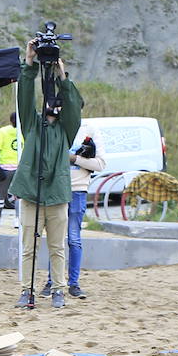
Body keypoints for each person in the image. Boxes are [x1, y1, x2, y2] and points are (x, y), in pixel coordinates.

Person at [9, 38, 82, 309]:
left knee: (57, 247)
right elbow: (24, 98)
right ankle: (26, 291)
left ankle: (59, 290)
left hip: (57, 195)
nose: (55, 104)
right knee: (29, 247)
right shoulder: (31, 125)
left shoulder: (66, 130)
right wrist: (29, 63)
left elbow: (75, 106)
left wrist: (63, 76)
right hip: (31, 193)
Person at [65, 125, 106, 299]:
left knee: (74, 238)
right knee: (55, 239)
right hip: (56, 190)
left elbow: (100, 164)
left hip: (78, 191)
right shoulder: (57, 127)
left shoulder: (90, 130)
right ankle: (53, 281)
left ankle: (73, 283)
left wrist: (74, 159)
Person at [0, 112, 22, 219]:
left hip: (4, 168)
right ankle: (17, 219)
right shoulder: (24, 131)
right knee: (18, 195)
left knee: (0, 194)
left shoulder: (3, 131)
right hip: (19, 168)